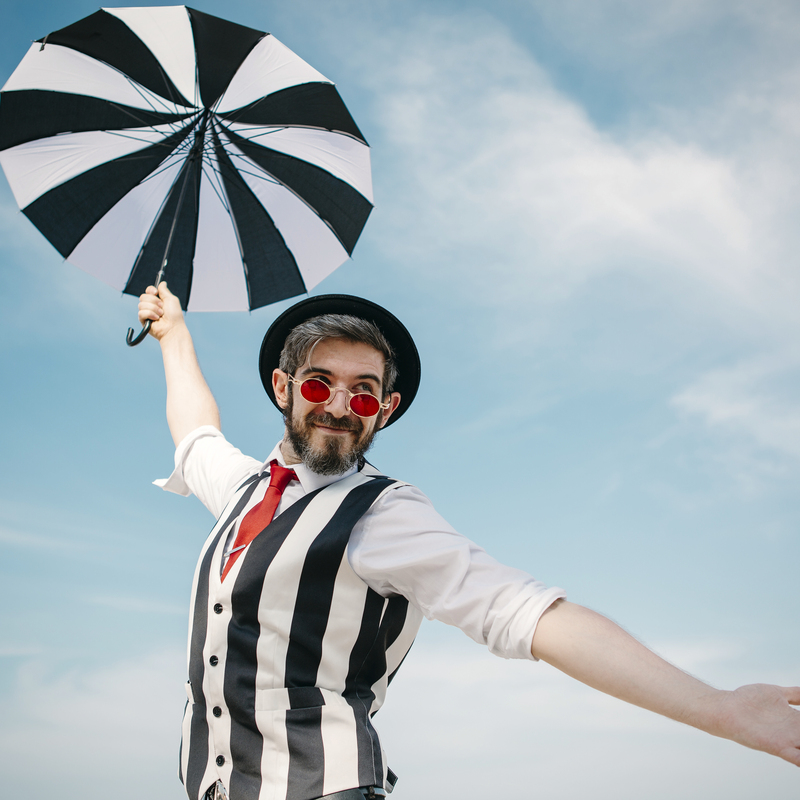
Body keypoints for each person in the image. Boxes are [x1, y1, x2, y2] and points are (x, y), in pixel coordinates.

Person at [138, 283, 800, 800]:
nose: (339, 406)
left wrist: (721, 709)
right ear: (284, 389)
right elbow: (196, 432)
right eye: (319, 384)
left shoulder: (381, 514)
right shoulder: (246, 491)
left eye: (363, 394)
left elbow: (528, 613)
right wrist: (173, 334)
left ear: (385, 411)